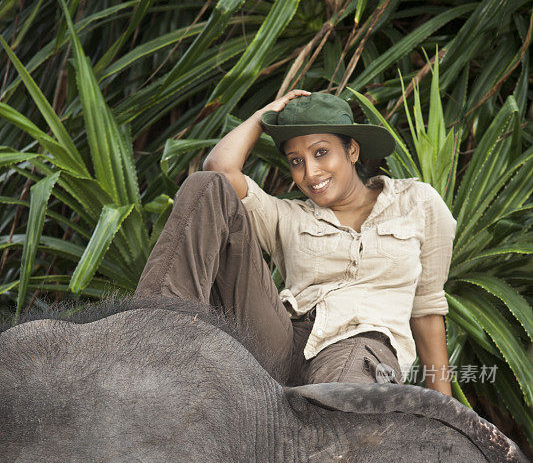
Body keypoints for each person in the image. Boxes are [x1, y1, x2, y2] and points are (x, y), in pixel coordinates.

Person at [135, 90, 455, 396]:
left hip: (358, 345)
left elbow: (426, 310)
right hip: (283, 341)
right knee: (207, 186)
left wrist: (449, 416)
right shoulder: (289, 216)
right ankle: (148, 335)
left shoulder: (418, 201)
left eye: (320, 153)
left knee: (344, 402)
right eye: (296, 160)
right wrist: (264, 116)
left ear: (352, 150)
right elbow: (219, 168)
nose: (310, 172)